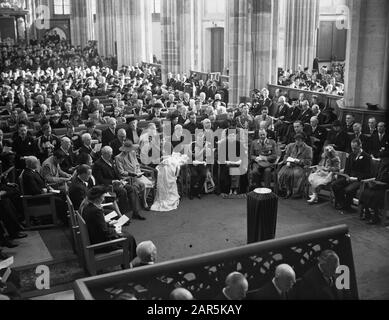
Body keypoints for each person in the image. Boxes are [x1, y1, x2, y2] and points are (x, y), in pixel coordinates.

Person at [81, 186, 137, 258]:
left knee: (126, 235)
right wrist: (115, 230)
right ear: (98, 198)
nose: (103, 199)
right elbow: (105, 232)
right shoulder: (96, 211)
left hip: (94, 238)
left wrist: (108, 224)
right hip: (100, 244)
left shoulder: (87, 206)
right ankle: (127, 262)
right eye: (103, 197)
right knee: (129, 237)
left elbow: (97, 225)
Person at [93, 146, 145, 220]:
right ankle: (122, 215)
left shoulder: (110, 160)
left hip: (117, 183)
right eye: (109, 154)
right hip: (107, 186)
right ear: (103, 154)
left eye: (111, 153)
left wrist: (120, 180)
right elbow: (100, 180)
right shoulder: (97, 164)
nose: (111, 155)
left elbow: (116, 173)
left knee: (131, 188)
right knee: (122, 191)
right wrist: (113, 181)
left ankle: (135, 212)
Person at [332, 139, 372, 211]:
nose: (353, 150)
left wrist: (356, 178)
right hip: (349, 177)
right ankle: (343, 203)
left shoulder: (367, 157)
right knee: (335, 184)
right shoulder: (351, 155)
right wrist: (347, 176)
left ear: (360, 146)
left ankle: (347, 206)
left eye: (355, 148)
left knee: (348, 190)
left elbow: (368, 173)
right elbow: (347, 168)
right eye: (352, 148)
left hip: (359, 180)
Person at [115, 140, 153, 210]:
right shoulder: (118, 157)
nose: (129, 151)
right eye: (128, 150)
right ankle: (144, 203)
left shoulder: (132, 153)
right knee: (143, 184)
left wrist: (139, 172)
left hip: (137, 174)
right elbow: (121, 172)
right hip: (129, 177)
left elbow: (137, 164)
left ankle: (142, 199)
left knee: (150, 183)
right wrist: (132, 174)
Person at [359, 150, 389, 224]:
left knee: (373, 195)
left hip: (385, 189)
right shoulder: (381, 165)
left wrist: (378, 183)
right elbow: (376, 177)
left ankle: (375, 216)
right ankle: (367, 213)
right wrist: (374, 182)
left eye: (384, 160)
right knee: (365, 192)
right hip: (378, 186)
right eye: (382, 159)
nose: (382, 161)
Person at [278, 133, 312, 198]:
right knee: (282, 173)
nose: (297, 142)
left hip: (300, 166)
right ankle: (287, 190)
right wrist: (287, 161)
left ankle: (296, 192)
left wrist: (299, 161)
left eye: (299, 140)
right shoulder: (291, 146)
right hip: (289, 164)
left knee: (295, 174)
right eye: (296, 140)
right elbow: (285, 156)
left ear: (303, 140)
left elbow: (309, 161)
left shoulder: (308, 149)